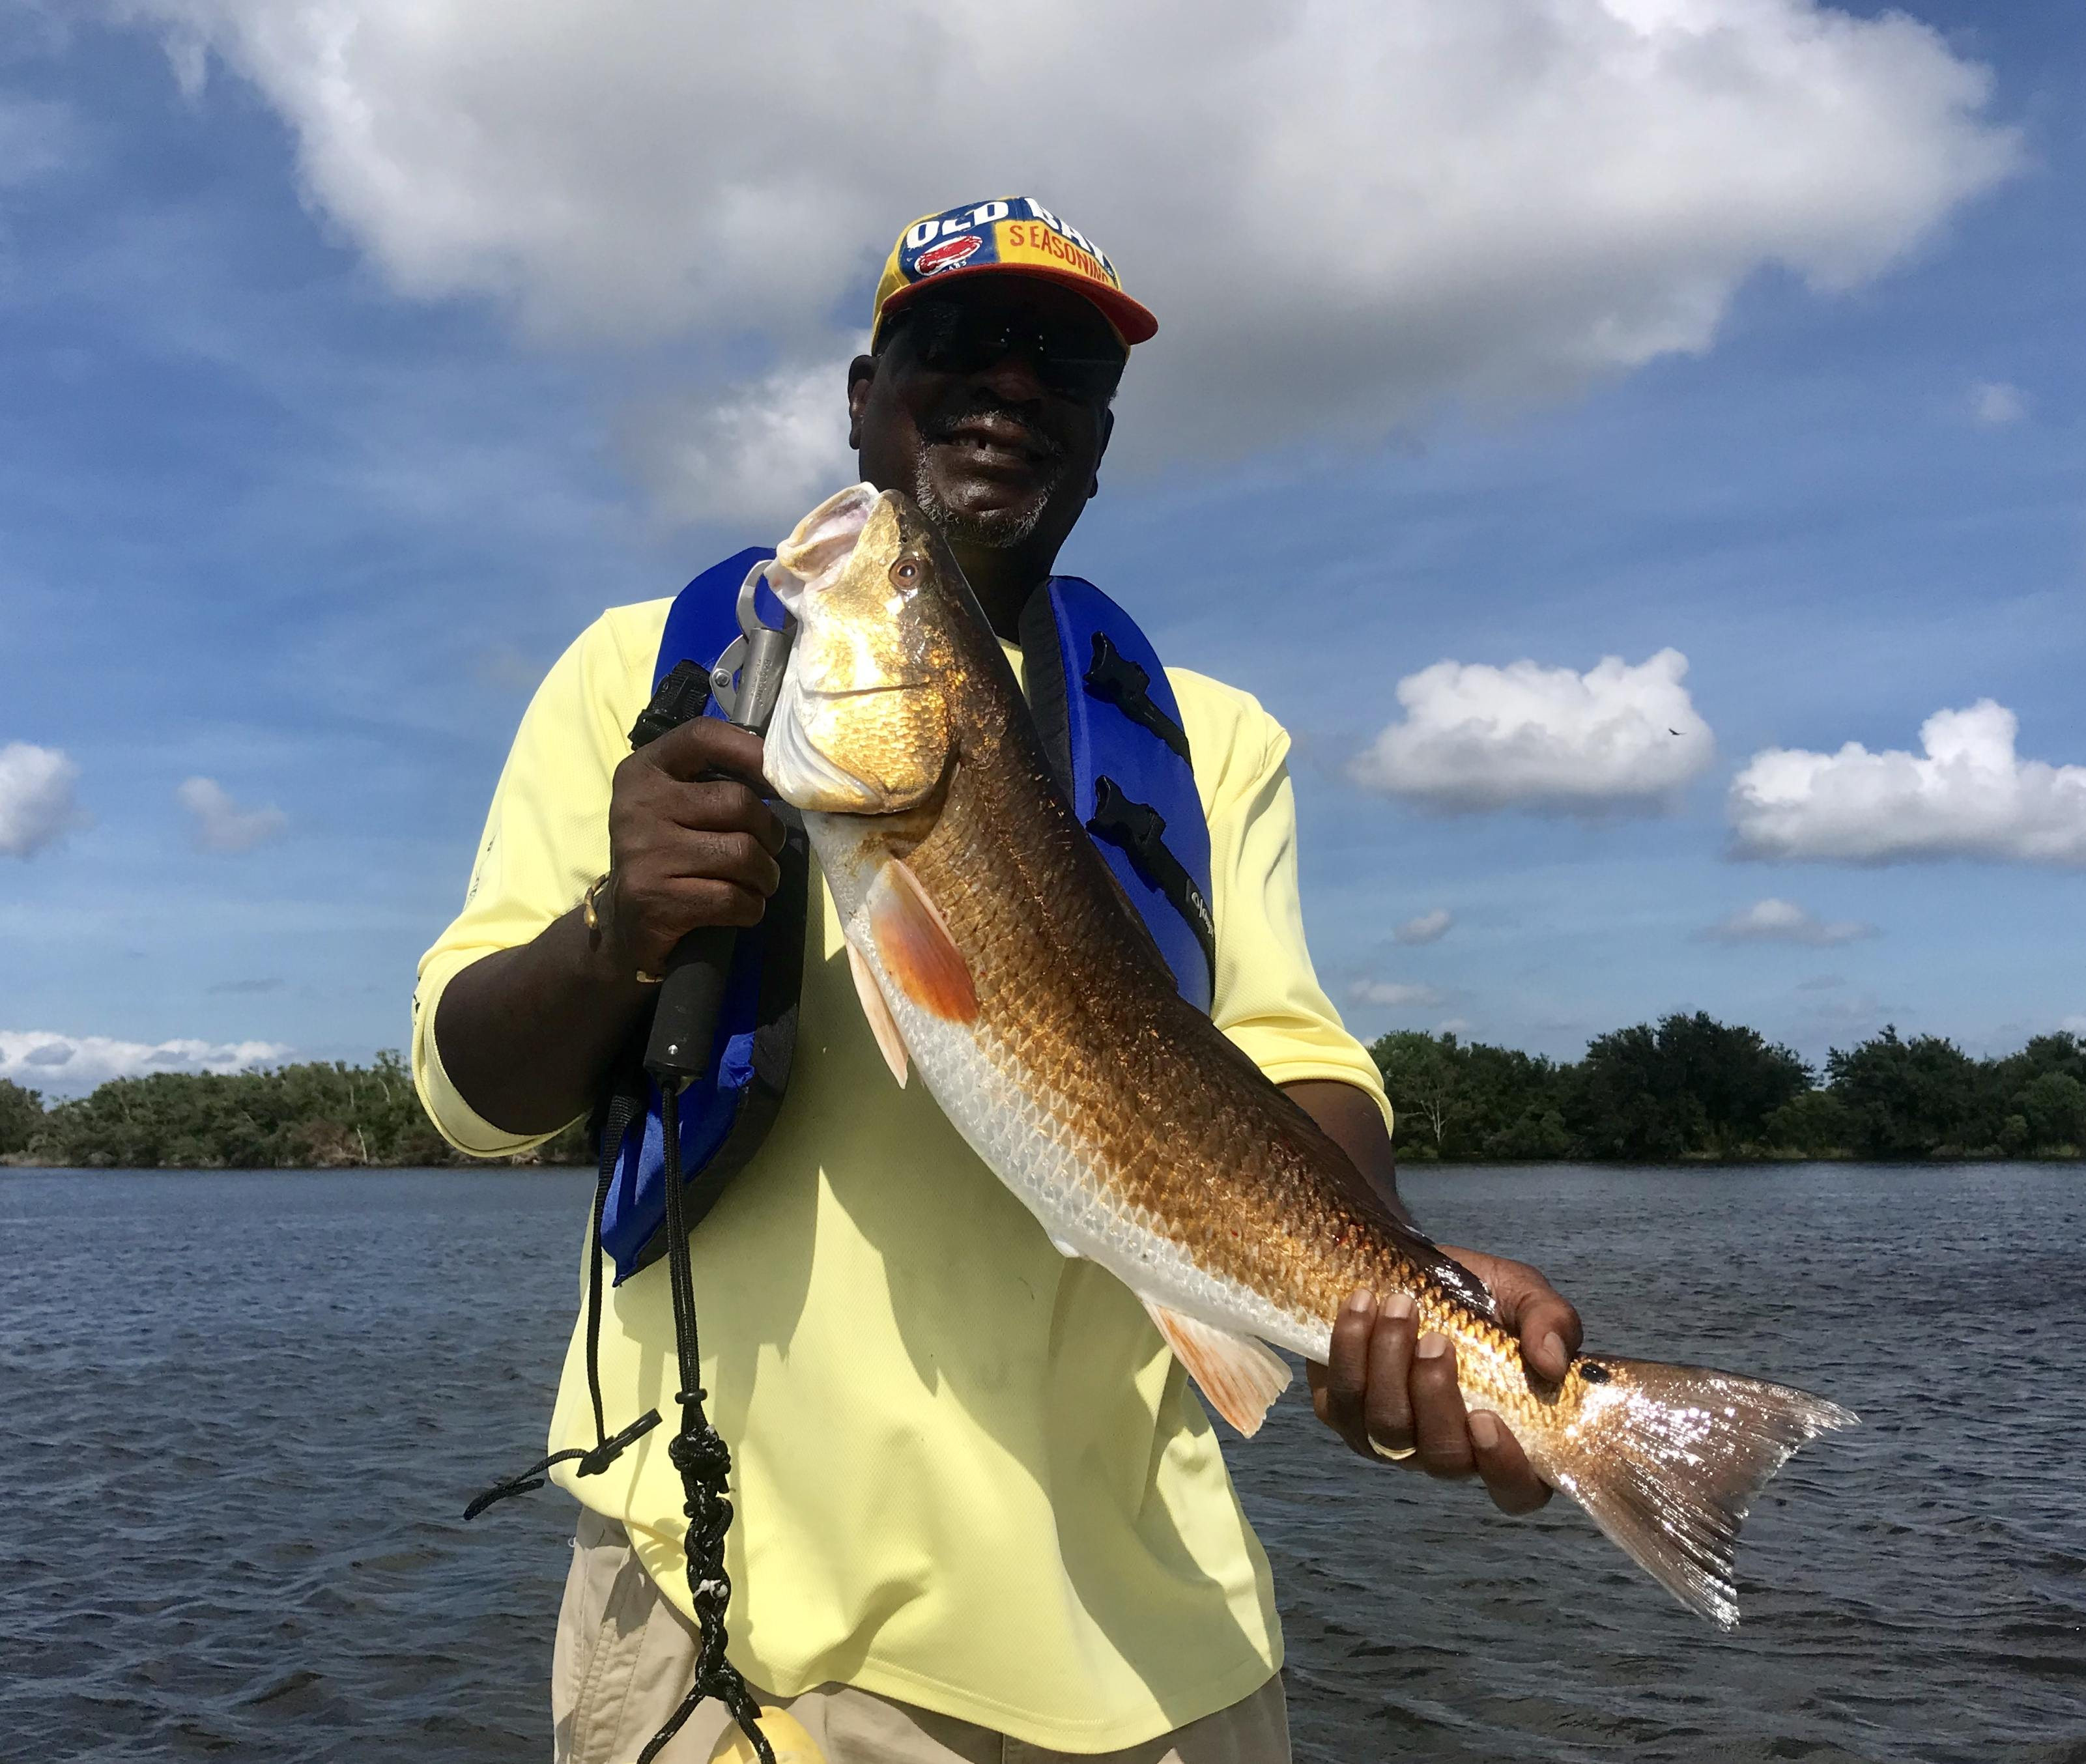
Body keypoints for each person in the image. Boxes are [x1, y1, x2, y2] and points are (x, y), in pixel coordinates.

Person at [413, 197, 1582, 1764]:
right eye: (958, 347)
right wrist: (615, 926)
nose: (1011, 389)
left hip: (1154, 1643)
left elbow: (1293, 1056)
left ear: (1100, 447)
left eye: (1067, 372)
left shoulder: (1215, 736)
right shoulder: (638, 668)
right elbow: (468, 1093)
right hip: (727, 1622)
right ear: (861, 392)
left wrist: (1393, 1287)